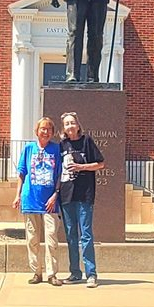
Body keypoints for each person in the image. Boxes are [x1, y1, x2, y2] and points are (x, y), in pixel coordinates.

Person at [14, 117, 63, 285]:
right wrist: (17, 195)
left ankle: (52, 274)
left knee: (51, 238)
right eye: (43, 128)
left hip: (50, 202)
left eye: (49, 129)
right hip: (30, 199)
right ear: (37, 131)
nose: (45, 131)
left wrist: (55, 194)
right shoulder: (28, 149)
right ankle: (36, 272)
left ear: (53, 132)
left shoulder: (56, 149)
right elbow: (21, 173)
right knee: (32, 238)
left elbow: (59, 175)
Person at [58, 111, 105, 287]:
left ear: (78, 125)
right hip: (67, 195)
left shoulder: (87, 141)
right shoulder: (62, 145)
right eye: (66, 124)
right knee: (71, 235)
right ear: (64, 128)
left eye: (72, 123)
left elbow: (100, 164)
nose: (70, 126)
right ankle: (75, 273)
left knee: (86, 234)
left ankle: (91, 274)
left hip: (84, 195)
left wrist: (80, 166)